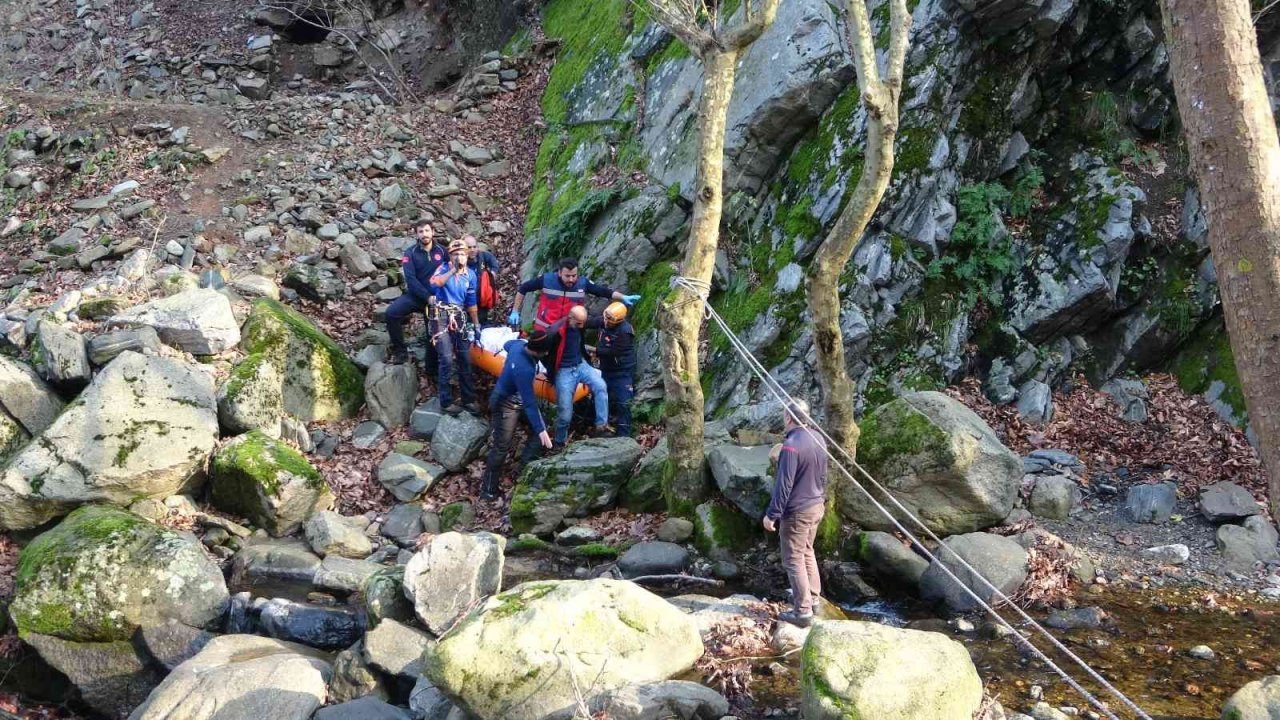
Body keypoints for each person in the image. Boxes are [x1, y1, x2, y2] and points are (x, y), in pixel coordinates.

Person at [762, 398, 829, 628]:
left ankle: (802, 611)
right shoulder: (818, 438)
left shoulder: (791, 445)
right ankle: (813, 598)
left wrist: (772, 514)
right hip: (817, 505)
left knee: (793, 558)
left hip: (798, 511)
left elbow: (784, 485)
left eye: (784, 414)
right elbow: (823, 475)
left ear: (789, 418)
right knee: (807, 551)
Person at [507, 257, 640, 372]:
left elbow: (603, 291)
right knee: (542, 359)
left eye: (574, 275)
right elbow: (523, 289)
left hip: (570, 332)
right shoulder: (547, 280)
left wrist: (623, 297)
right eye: (567, 276)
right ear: (559, 273)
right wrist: (515, 311)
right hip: (546, 331)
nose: (571, 279)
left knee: (569, 360)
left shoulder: (582, 283)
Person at [480, 330, 558, 500]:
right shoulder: (524, 369)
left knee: (540, 431)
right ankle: (488, 490)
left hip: (517, 399)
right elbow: (530, 402)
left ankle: (522, 469)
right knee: (501, 447)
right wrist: (540, 429)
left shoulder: (518, 345)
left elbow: (507, 344)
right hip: (505, 404)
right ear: (540, 352)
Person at [429, 238, 482, 416]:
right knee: (445, 358)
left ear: (467, 256)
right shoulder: (443, 268)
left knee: (465, 358)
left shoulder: (471, 275)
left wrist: (476, 324)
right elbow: (435, 283)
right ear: (450, 256)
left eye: (462, 254)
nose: (459, 257)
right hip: (441, 315)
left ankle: (468, 398)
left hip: (459, 315)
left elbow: (471, 301)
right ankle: (445, 401)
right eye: (455, 254)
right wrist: (453, 269)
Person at [547, 306, 610, 447]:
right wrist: (551, 372)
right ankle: (559, 441)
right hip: (564, 370)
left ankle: (601, 426)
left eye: (583, 322)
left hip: (580, 365)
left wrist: (608, 317)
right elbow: (544, 353)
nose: (582, 326)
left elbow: (593, 322)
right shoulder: (555, 332)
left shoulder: (579, 323)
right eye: (580, 323)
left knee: (601, 386)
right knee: (565, 413)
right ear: (571, 318)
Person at [386, 223, 447, 366]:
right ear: (416, 234)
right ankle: (400, 351)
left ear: (433, 232)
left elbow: (454, 269)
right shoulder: (410, 253)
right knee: (391, 313)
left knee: (432, 334)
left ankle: (431, 369)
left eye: (427, 231)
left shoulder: (443, 251)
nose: (424, 234)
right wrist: (427, 297)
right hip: (415, 297)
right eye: (421, 231)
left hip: (436, 300)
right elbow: (411, 279)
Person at [585, 302, 636, 437]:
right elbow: (589, 322)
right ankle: (592, 425)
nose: (606, 323)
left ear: (619, 320)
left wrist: (592, 349)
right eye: (605, 318)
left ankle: (624, 435)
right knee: (598, 396)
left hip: (622, 371)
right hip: (605, 369)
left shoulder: (625, 331)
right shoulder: (604, 321)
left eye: (610, 321)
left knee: (623, 403)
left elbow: (613, 351)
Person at [464, 235, 502, 326]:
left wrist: (491, 275)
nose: (472, 250)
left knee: (482, 323)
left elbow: (494, 264)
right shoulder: (459, 260)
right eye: (469, 247)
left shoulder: (483, 256)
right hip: (465, 301)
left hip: (481, 299)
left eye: (474, 247)